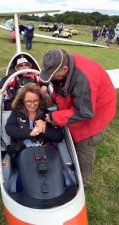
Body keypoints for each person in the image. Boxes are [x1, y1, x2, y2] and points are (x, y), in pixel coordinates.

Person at [39, 49, 116, 189]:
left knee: (85, 145)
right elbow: (62, 88)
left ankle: (84, 184)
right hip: (85, 104)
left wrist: (54, 116)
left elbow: (85, 112)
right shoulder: (65, 63)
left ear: (65, 69)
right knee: (72, 137)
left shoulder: (83, 79)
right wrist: (53, 100)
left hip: (95, 113)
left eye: (53, 75)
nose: (52, 79)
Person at [5, 83, 64, 159]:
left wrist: (44, 129)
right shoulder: (17, 112)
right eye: (28, 101)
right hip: (22, 151)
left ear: (40, 100)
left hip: (44, 152)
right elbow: (9, 128)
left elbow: (59, 137)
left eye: (35, 101)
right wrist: (30, 132)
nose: (32, 105)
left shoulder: (46, 114)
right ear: (23, 100)